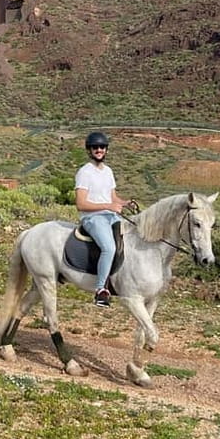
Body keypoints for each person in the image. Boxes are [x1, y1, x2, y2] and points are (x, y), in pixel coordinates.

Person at [74, 131, 131, 307]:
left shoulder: (108, 171)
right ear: (89, 150)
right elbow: (81, 204)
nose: (99, 150)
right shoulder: (84, 172)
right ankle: (101, 290)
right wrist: (108, 206)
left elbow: (112, 198)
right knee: (109, 247)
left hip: (110, 215)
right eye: (95, 147)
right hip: (93, 218)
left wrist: (125, 203)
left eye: (102, 147)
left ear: (106, 149)